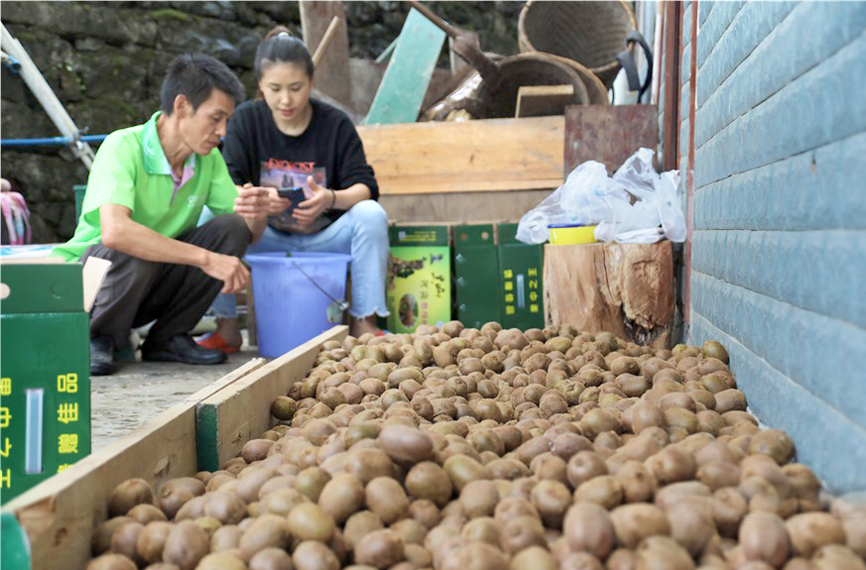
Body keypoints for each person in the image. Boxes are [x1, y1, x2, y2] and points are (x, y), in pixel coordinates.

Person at [53, 53, 270, 376]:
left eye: (227, 121)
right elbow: (115, 233)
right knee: (132, 245)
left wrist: (258, 210)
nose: (223, 131)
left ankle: (167, 339)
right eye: (215, 118)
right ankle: (97, 336)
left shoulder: (207, 160)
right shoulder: (122, 146)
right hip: (92, 286)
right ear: (182, 106)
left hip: (148, 283)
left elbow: (248, 233)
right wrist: (206, 259)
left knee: (232, 228)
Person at [197, 27, 389, 353]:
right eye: (275, 89)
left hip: (324, 238)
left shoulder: (335, 124)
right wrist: (257, 201)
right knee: (206, 215)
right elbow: (227, 184)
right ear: (260, 86)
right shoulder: (246, 120)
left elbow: (366, 186)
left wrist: (330, 198)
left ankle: (365, 322)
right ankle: (226, 326)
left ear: (311, 84)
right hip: (263, 237)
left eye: (296, 88)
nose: (285, 99)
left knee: (371, 215)